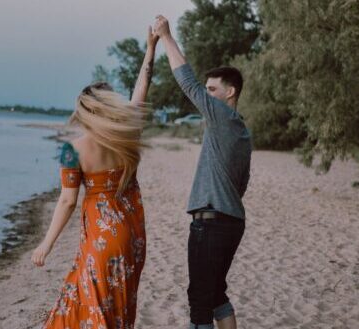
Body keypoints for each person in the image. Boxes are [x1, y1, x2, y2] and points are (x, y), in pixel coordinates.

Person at [31, 26, 159, 329]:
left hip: (100, 241)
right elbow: (144, 84)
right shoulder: (127, 136)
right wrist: (151, 48)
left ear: (84, 112)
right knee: (118, 308)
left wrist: (45, 245)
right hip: (132, 238)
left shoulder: (71, 150)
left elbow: (66, 201)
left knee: (88, 306)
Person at [153, 15, 252, 329]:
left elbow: (187, 83)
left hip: (211, 223)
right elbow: (242, 183)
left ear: (230, 92)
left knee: (199, 303)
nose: (206, 95)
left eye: (213, 90)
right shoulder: (242, 131)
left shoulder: (221, 115)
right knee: (216, 294)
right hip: (232, 221)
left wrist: (166, 37)